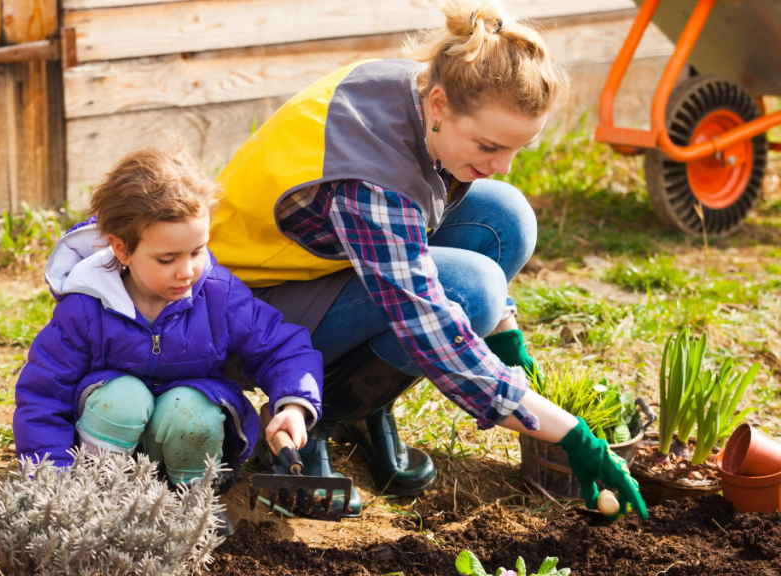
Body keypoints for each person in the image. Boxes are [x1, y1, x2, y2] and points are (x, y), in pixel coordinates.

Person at [209, 0, 648, 519]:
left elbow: (426, 223)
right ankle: (313, 415)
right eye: (489, 145)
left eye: (517, 149)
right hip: (239, 309)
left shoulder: (427, 90)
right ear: (439, 105)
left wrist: (506, 333)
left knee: (506, 217)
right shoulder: (373, 180)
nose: (501, 165)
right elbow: (434, 332)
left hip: (323, 261)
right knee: (471, 291)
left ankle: (367, 407)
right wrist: (574, 436)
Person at [12, 142, 323, 535]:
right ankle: (100, 495)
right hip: (110, 442)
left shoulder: (217, 295)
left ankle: (193, 499)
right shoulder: (85, 310)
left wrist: (293, 404)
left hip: (187, 441)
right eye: (167, 259)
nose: (187, 271)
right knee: (122, 398)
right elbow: (43, 396)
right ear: (121, 248)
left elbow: (281, 345)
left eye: (197, 251)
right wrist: (52, 482)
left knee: (189, 405)